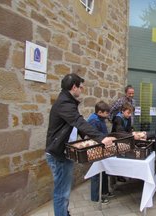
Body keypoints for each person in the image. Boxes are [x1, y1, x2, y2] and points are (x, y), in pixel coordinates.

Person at [45, 73, 113, 216]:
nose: (81, 90)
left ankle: (64, 212)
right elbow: (79, 121)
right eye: (81, 87)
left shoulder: (67, 102)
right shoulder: (64, 103)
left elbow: (75, 125)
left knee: (64, 190)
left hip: (62, 152)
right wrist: (101, 138)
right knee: (61, 192)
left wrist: (87, 137)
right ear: (74, 87)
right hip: (58, 154)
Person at [87, 101, 114, 204]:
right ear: (99, 112)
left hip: (102, 147)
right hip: (95, 149)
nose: (108, 115)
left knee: (104, 170)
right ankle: (96, 197)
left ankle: (105, 192)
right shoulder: (94, 120)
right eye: (106, 113)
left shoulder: (100, 118)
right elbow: (94, 136)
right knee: (97, 173)